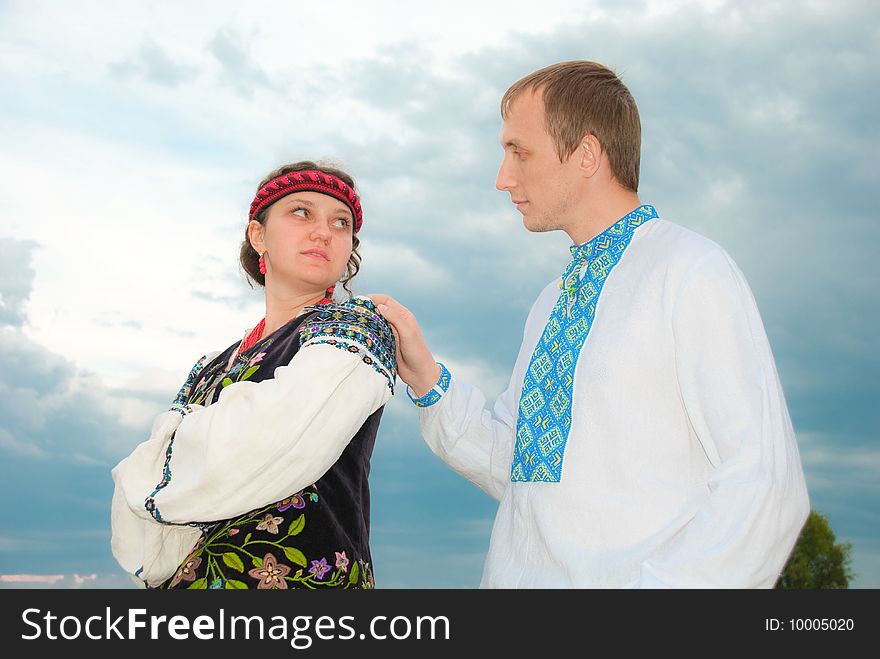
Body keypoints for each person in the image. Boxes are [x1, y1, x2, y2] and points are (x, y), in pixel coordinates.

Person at [371, 61, 809, 588]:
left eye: (519, 151)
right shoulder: (549, 302)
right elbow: (518, 471)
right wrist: (424, 377)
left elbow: (764, 483)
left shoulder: (690, 270)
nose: (502, 177)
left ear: (586, 154)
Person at [111, 161, 397, 589]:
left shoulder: (354, 329)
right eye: (302, 212)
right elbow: (142, 523)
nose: (324, 231)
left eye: (342, 224)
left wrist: (173, 453)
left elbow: (266, 442)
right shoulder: (212, 364)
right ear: (258, 235)